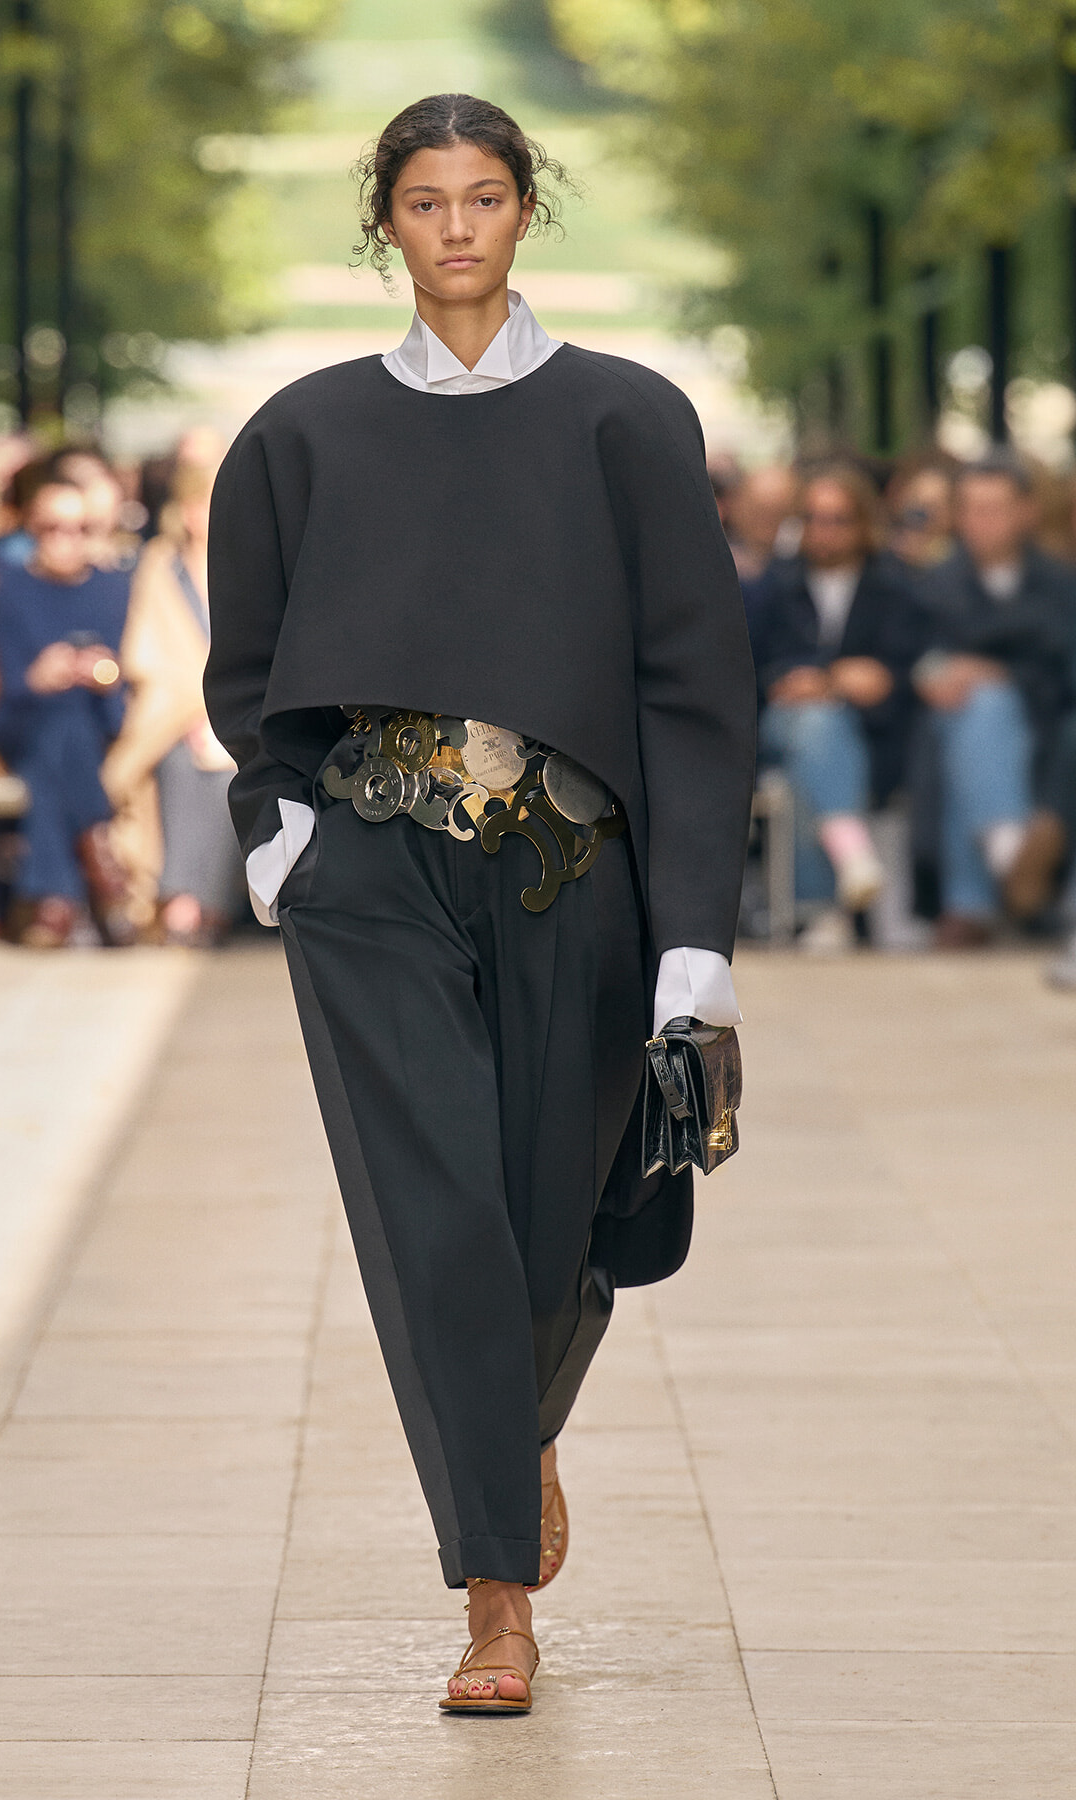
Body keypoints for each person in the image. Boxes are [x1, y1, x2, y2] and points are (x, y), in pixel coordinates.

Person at [205, 94, 755, 1714]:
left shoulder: (626, 421)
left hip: (574, 870)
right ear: (384, 221)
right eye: (426, 200)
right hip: (371, 872)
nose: (457, 227)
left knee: (555, 1225)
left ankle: (513, 1439)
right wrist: (278, 837)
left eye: (488, 195)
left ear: (529, 210)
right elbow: (249, 672)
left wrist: (695, 937)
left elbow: (697, 690)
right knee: (434, 1212)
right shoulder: (299, 436)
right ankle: (495, 1602)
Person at [750, 464, 926, 946]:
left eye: (837, 519)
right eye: (812, 518)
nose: (823, 531)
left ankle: (825, 915)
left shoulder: (895, 586)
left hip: (871, 734)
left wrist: (837, 682)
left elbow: (901, 673)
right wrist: (796, 683)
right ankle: (850, 856)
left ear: (864, 523)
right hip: (780, 724)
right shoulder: (774, 585)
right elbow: (749, 664)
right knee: (815, 725)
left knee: (812, 759)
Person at [914, 455, 1076, 947]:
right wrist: (934, 676)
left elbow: (1063, 672)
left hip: (1042, 724)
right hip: (949, 720)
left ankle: (971, 903)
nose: (981, 521)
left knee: (986, 708)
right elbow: (913, 656)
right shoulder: (934, 583)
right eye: (971, 508)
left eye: (995, 508)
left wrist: (997, 674)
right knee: (977, 713)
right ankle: (1011, 862)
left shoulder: (1061, 587)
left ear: (1026, 511)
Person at [0, 477, 132, 948]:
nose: (66, 540)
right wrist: (37, 678)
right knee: (60, 729)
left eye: (80, 528)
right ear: (32, 529)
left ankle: (55, 901)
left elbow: (126, 679)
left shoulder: (113, 589)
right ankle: (99, 856)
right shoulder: (10, 591)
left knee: (62, 738)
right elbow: (0, 689)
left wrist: (104, 674)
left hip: (91, 726)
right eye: (52, 528)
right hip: (23, 720)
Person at [102, 462, 239, 944]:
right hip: (172, 714)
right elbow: (144, 650)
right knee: (179, 764)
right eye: (197, 504)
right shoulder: (160, 565)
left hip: (236, 708)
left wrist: (216, 708)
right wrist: (192, 711)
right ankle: (181, 900)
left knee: (226, 770)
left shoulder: (252, 566)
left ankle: (211, 902)